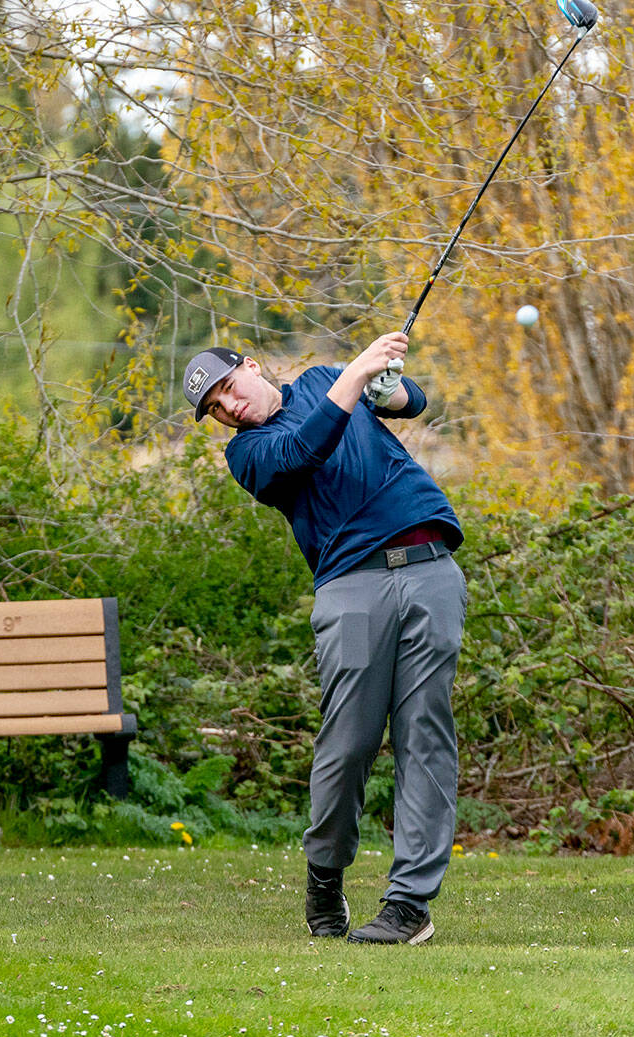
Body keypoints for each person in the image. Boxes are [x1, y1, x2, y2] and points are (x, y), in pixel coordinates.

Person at [182, 332, 467, 945]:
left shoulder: (320, 378)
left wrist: (389, 389)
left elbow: (412, 402)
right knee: (350, 740)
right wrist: (359, 374)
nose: (228, 407)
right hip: (351, 586)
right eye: (215, 408)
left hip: (430, 566)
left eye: (228, 388)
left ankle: (409, 905)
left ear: (252, 367)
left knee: (426, 733)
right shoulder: (250, 453)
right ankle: (324, 874)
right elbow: (308, 448)